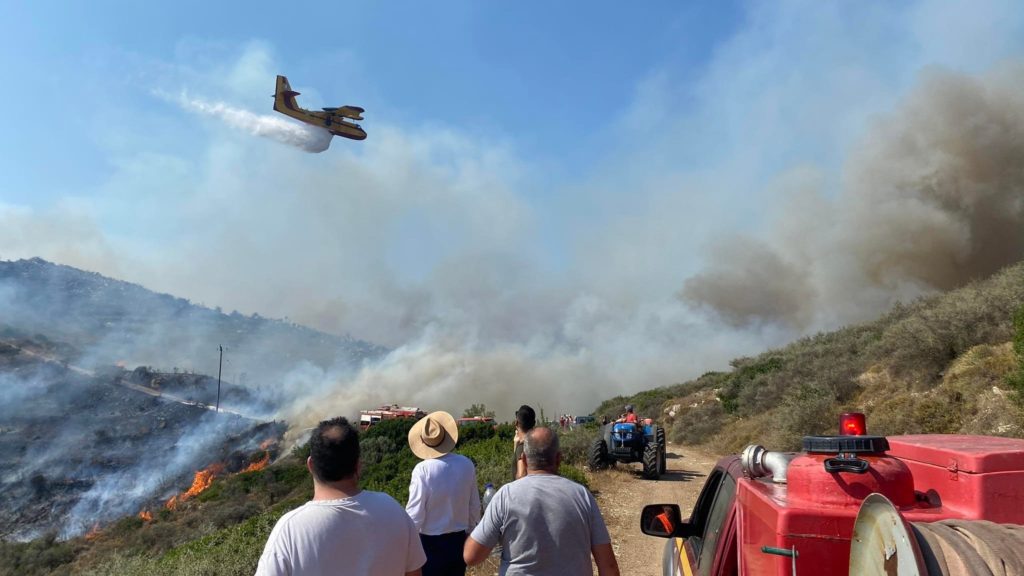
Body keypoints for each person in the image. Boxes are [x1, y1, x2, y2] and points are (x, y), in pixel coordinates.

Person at [256, 417, 426, 576]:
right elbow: (414, 573)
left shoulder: (290, 529)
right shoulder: (393, 510)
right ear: (358, 466)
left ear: (310, 465)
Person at [464, 427, 620, 576]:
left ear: (524, 459)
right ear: (559, 459)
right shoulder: (582, 496)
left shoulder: (505, 495)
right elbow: (609, 566)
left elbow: (471, 556)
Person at [406, 411, 482, 576]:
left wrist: (407, 545)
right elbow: (475, 505)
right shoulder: (466, 464)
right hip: (458, 540)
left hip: (429, 544)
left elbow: (415, 514)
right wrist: (469, 533)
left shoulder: (422, 470)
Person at [512, 405, 535, 480]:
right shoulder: (538, 443)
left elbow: (521, 475)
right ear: (534, 423)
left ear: (516, 423)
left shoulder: (522, 447)